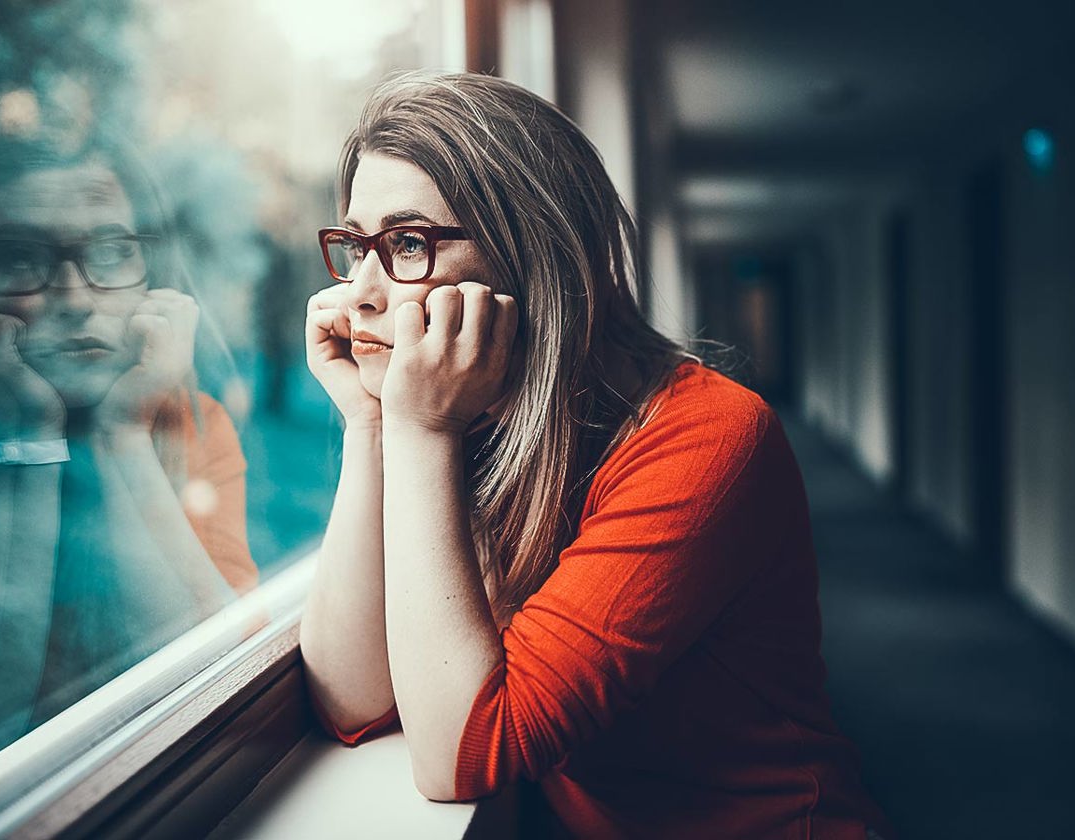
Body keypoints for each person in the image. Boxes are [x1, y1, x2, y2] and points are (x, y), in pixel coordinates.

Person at [299, 72, 892, 839]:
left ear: (530, 255)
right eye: (354, 246)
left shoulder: (709, 437)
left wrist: (421, 431)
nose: (360, 291)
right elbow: (353, 701)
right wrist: (371, 426)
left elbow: (458, 756)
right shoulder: (482, 415)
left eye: (407, 243)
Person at [0, 130, 255, 796]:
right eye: (18, 257)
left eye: (110, 252)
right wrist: (17, 436)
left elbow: (227, 704)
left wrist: (121, 436)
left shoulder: (187, 421)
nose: (75, 297)